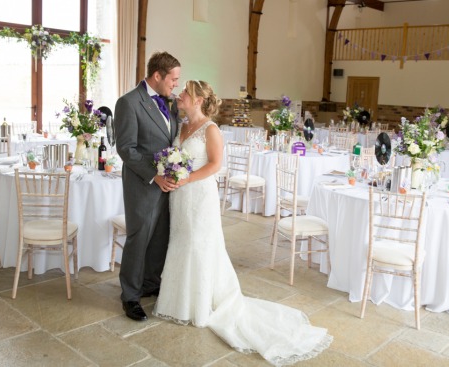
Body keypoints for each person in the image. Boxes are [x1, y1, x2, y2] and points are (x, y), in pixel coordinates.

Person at [152, 80, 332, 365]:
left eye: (186, 92)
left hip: (199, 196)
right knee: (182, 242)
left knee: (200, 245)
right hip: (179, 198)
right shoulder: (181, 125)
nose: (181, 95)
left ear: (198, 100)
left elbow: (214, 165)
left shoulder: (211, 129)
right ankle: (181, 300)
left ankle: (201, 304)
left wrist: (186, 179)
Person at [114, 51, 181, 321]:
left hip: (168, 185)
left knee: (160, 237)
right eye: (173, 79)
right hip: (143, 183)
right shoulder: (128, 103)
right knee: (139, 238)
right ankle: (130, 296)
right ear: (157, 76)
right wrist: (156, 176)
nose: (176, 83)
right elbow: (126, 149)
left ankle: (151, 284)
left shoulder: (171, 103)